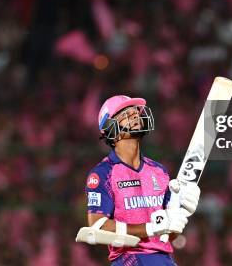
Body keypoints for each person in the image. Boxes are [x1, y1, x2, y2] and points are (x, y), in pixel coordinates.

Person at [84, 95, 201, 265]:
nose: (134, 116)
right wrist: (149, 228)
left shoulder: (159, 171)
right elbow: (97, 226)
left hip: (165, 259)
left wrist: (182, 211)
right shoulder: (103, 173)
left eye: (135, 112)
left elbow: (168, 234)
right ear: (108, 128)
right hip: (129, 258)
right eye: (125, 114)